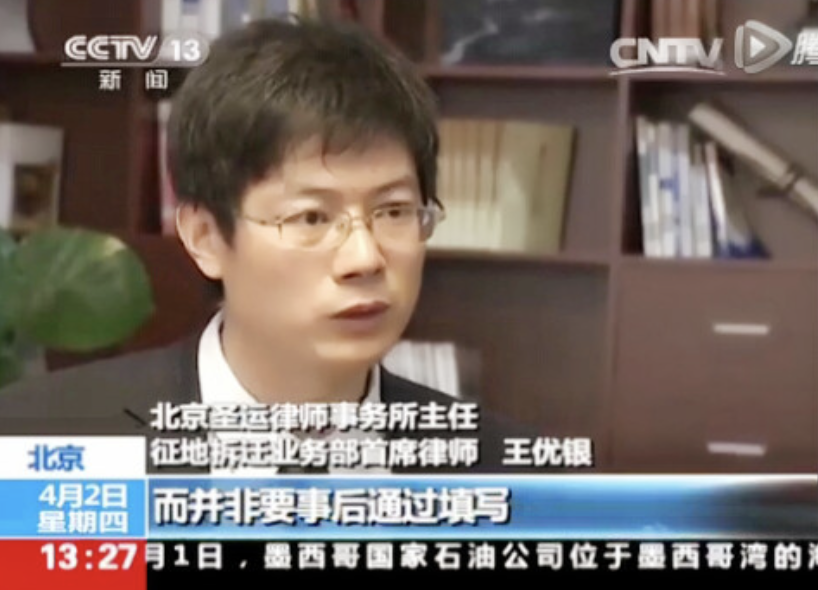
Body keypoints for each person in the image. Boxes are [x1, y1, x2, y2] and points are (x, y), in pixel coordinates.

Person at [0, 17, 532, 473]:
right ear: (205, 237)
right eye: (311, 217)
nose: (364, 258)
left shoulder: (511, 477)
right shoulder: (38, 444)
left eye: (393, 211)